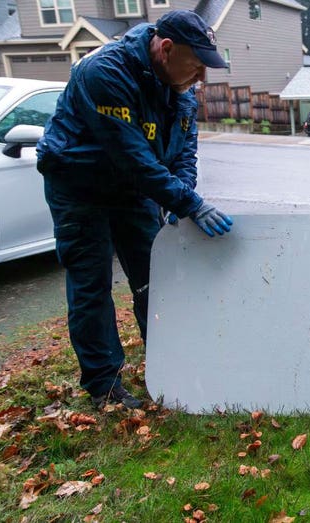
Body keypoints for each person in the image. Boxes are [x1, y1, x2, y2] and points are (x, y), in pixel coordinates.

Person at [37, 10, 234, 409]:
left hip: (134, 188)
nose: (201, 77)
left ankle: (169, 363)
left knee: (155, 279)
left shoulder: (180, 88)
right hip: (80, 184)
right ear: (166, 49)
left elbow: (184, 151)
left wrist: (183, 194)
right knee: (92, 284)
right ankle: (104, 385)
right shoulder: (104, 72)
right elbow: (132, 156)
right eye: (196, 65)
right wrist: (189, 204)